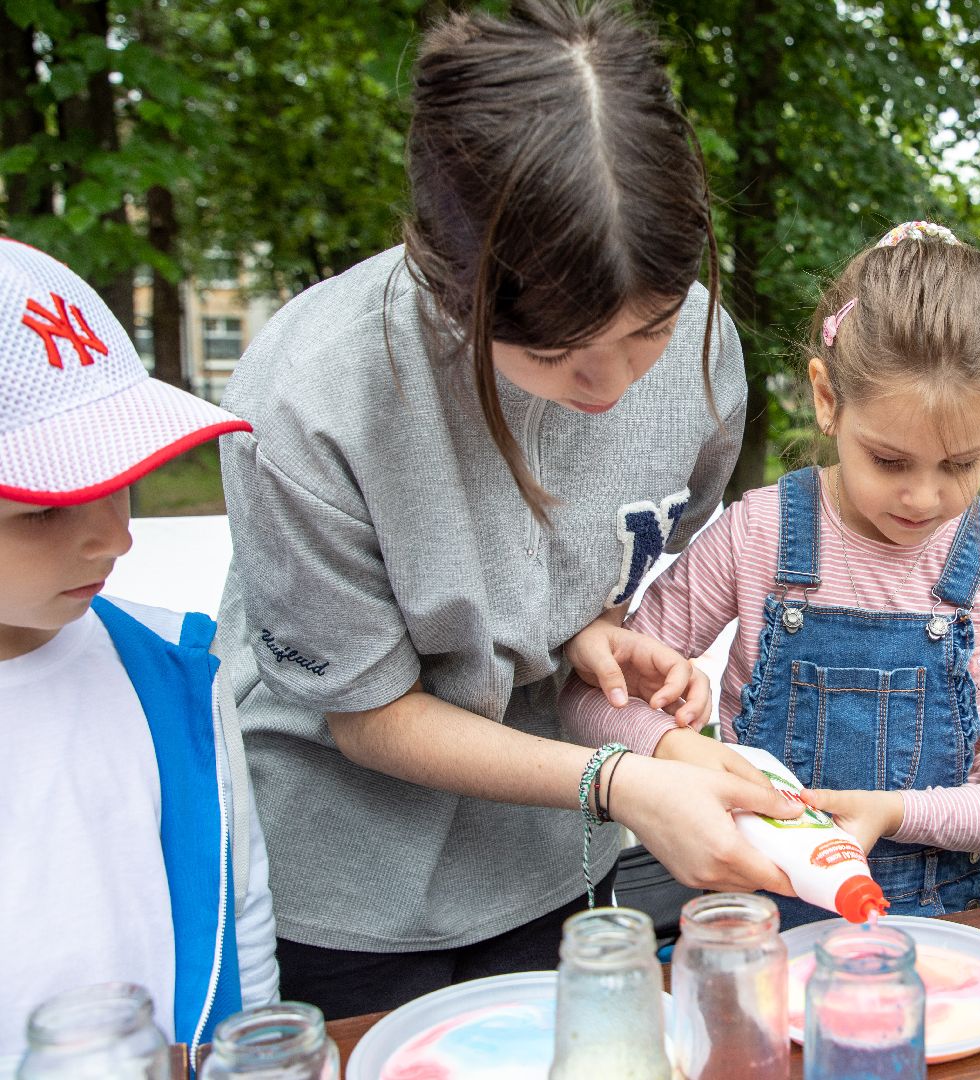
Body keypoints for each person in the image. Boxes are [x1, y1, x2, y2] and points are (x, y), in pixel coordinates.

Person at [216, 0, 800, 1019]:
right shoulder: (307, 399)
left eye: (649, 331)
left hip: (551, 870)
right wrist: (621, 781)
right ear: (453, 283)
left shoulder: (708, 357)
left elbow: (588, 558)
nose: (613, 385)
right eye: (553, 353)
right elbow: (370, 716)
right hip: (343, 892)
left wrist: (591, 632)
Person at [562, 221, 980, 928]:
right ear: (826, 398)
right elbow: (588, 698)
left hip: (932, 933)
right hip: (756, 929)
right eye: (890, 461)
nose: (924, 498)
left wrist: (895, 813)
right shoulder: (759, 536)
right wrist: (675, 746)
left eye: (961, 465)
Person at [0, 238, 278, 1065]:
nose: (114, 538)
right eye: (45, 509)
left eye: (123, 479)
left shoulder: (176, 670)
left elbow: (242, 915)